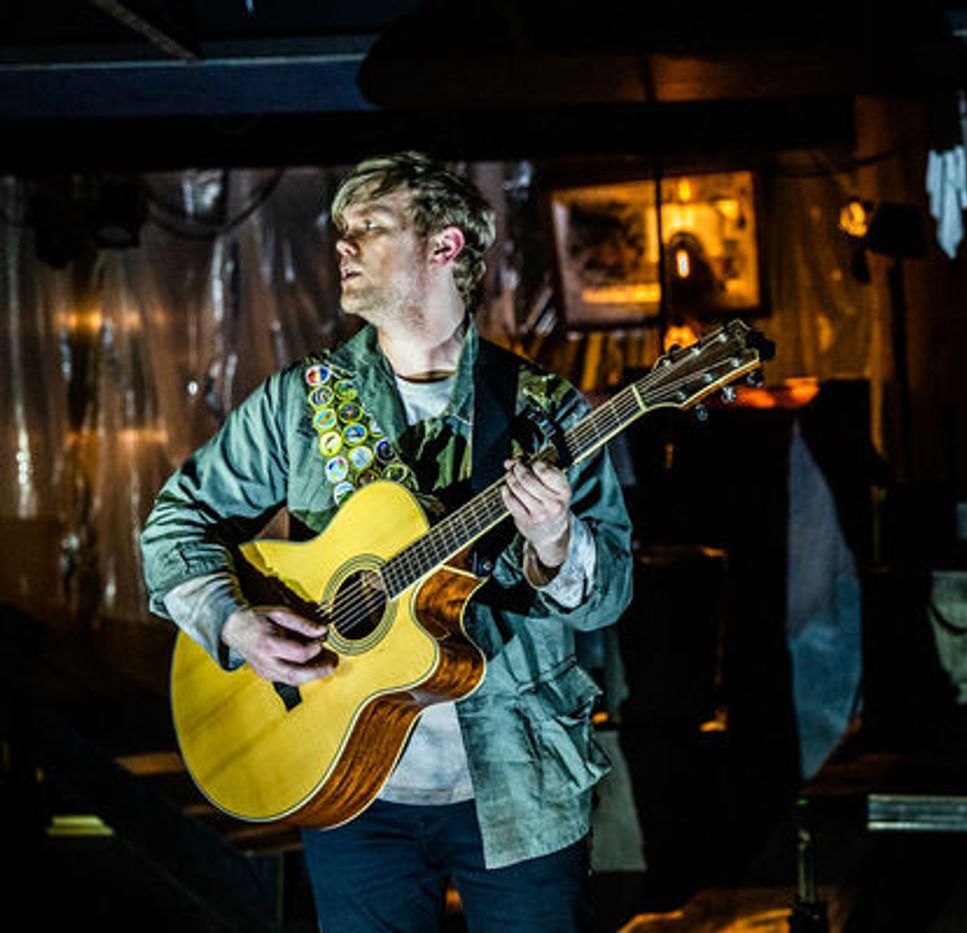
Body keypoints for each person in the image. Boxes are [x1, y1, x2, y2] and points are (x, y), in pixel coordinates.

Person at [140, 151, 634, 932]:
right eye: (341, 230)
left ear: (445, 247)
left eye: (370, 227)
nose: (342, 246)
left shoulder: (544, 409)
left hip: (518, 777)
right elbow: (175, 522)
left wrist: (555, 540)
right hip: (348, 784)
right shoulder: (297, 406)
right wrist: (236, 625)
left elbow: (608, 596)